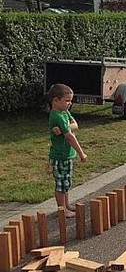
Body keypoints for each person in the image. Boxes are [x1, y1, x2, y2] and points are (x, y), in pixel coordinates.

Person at [47, 84, 87, 218]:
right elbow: (70, 136)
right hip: (60, 156)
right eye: (67, 100)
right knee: (60, 184)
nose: (69, 104)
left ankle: (67, 204)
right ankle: (61, 209)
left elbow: (75, 125)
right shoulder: (57, 116)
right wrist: (81, 153)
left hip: (67, 155)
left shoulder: (64, 112)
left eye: (70, 101)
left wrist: (67, 127)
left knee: (66, 182)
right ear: (55, 100)